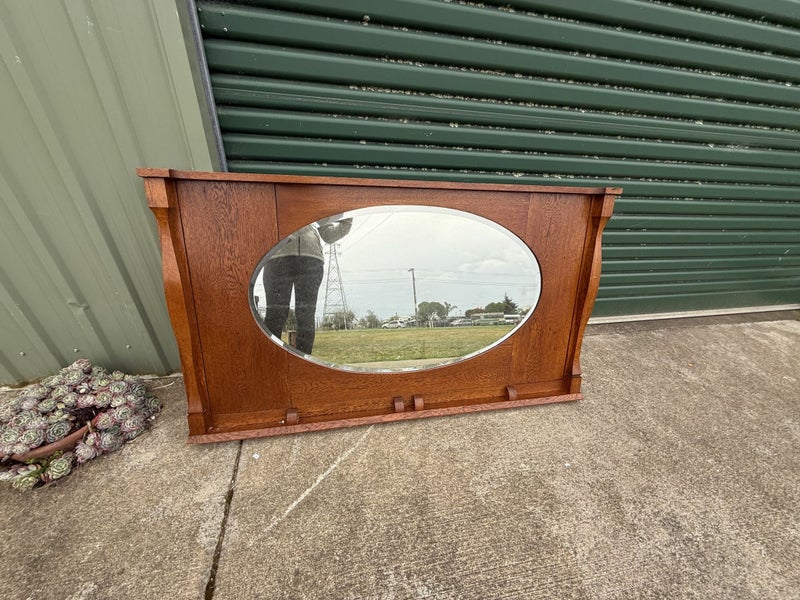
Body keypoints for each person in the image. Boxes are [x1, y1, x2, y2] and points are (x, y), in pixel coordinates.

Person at [262, 216, 352, 353]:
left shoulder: (315, 201)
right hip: (278, 258)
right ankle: (269, 366)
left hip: (311, 259)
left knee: (306, 316)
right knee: (275, 315)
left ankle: (303, 366)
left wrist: (347, 219)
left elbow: (328, 235)